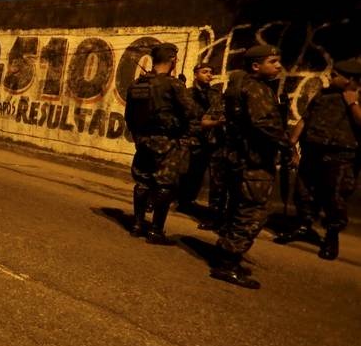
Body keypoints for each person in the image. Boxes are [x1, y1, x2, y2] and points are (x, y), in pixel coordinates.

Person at [213, 44, 294, 289]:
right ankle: (228, 263)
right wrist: (286, 145)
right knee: (254, 211)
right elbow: (263, 123)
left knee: (238, 208)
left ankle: (225, 254)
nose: (278, 65)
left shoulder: (239, 85)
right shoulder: (256, 89)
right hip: (254, 161)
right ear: (256, 66)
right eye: (273, 61)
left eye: (278, 60)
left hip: (239, 158)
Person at [273, 58, 361, 260]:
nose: (330, 77)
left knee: (335, 198)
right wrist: (292, 141)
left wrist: (352, 102)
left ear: (351, 79)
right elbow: (305, 118)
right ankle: (303, 226)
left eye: (336, 75)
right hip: (312, 153)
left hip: (340, 157)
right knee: (303, 193)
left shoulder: (357, 97)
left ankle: (331, 236)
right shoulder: (323, 94)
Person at [123, 43, 201, 244]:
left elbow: (129, 116)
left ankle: (137, 224)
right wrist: (186, 137)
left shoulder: (136, 85)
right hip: (168, 142)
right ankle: (156, 230)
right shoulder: (173, 85)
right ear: (173, 60)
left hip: (143, 141)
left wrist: (139, 137)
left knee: (142, 182)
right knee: (164, 185)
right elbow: (193, 113)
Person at [177, 61, 228, 230]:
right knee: (184, 172)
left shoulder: (215, 94)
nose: (209, 75)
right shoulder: (187, 93)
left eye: (211, 72)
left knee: (205, 177)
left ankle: (196, 205)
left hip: (210, 140)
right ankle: (180, 200)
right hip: (191, 138)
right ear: (196, 73)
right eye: (205, 71)